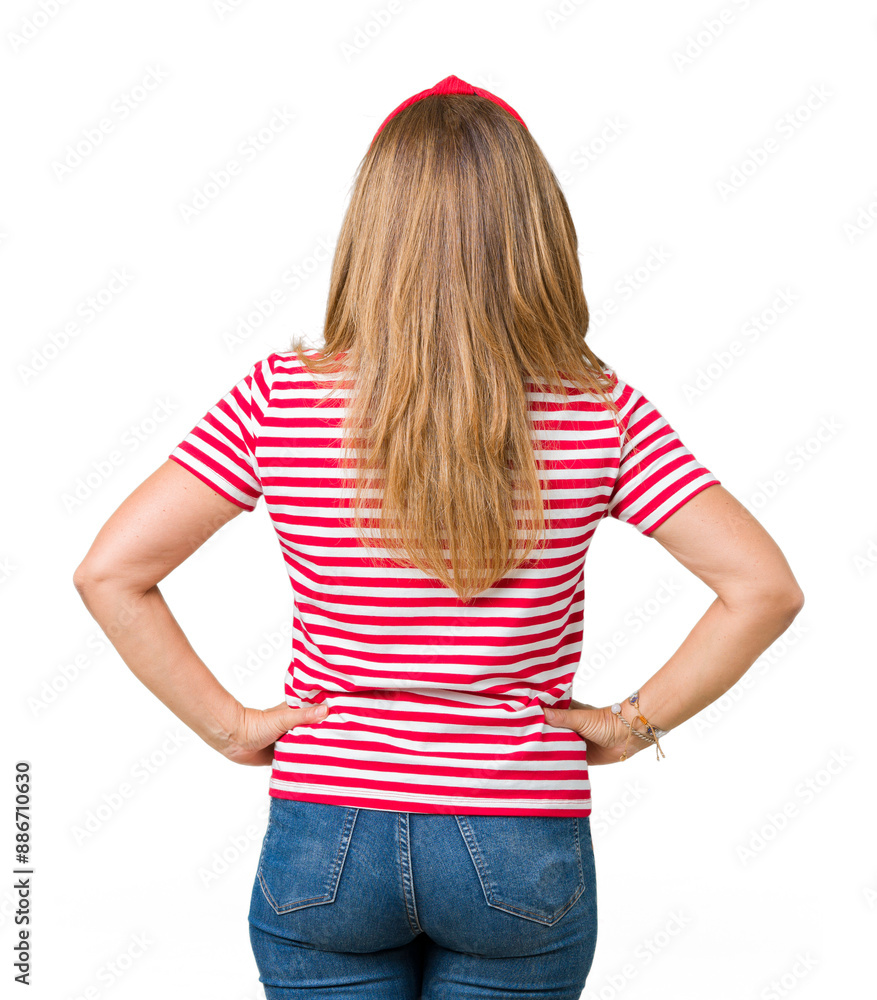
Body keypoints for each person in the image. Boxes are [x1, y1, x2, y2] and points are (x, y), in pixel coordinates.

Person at [72, 74, 805, 999]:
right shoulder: (597, 411)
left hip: (326, 835)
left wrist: (232, 728)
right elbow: (762, 588)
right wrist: (627, 728)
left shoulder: (281, 398)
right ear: (538, 234)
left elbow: (111, 572)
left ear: (370, 234)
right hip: (517, 836)